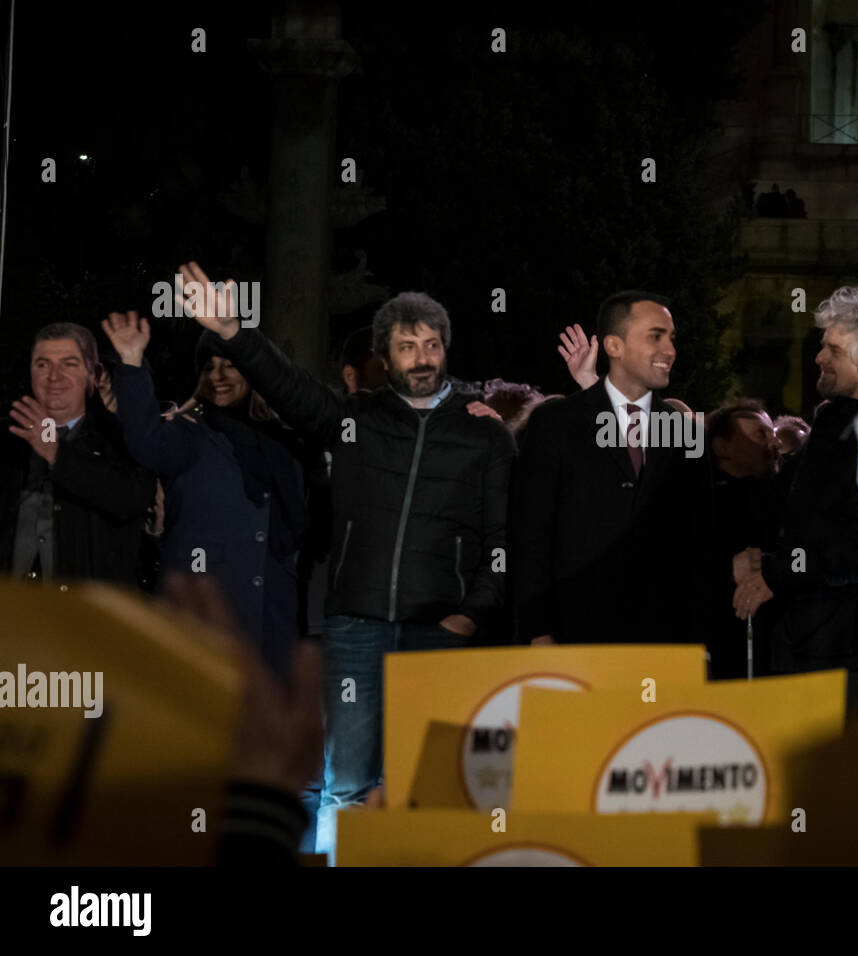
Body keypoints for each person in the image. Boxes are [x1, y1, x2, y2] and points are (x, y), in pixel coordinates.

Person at [175, 261, 514, 861]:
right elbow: (290, 387)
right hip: (356, 626)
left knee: (431, 786)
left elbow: (502, 539)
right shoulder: (355, 420)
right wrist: (232, 332)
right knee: (347, 784)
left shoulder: (483, 433)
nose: (423, 356)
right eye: (407, 346)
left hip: (441, 630)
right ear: (385, 357)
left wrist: (470, 617)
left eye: (432, 344)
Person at [732, 286, 858, 711]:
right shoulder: (832, 416)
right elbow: (800, 513)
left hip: (857, 648)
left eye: (832, 350)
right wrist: (762, 554)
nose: (818, 357)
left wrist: (778, 574)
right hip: (808, 636)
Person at [103, 310, 309, 684]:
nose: (218, 376)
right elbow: (147, 443)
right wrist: (132, 362)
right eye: (209, 367)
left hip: (272, 616)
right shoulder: (187, 432)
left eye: (230, 365)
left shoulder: (281, 441)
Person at [512, 290, 712, 646]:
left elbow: (699, 543)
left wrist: (702, 646)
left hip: (663, 638)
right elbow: (530, 535)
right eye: (655, 336)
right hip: (573, 634)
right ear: (614, 347)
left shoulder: (685, 432)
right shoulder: (557, 423)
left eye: (671, 338)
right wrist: (537, 630)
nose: (670, 350)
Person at [1, 323, 155, 588]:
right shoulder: (7, 437)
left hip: (85, 617)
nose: (54, 376)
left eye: (69, 364)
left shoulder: (123, 437)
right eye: (43, 364)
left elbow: (131, 497)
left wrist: (55, 452)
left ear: (93, 374)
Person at [706, 400, 785, 679]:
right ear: (722, 447)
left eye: (774, 433)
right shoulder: (694, 501)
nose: (775, 443)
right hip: (716, 657)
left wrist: (774, 567)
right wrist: (725, 570)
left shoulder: (789, 499)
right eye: (760, 435)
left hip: (778, 656)